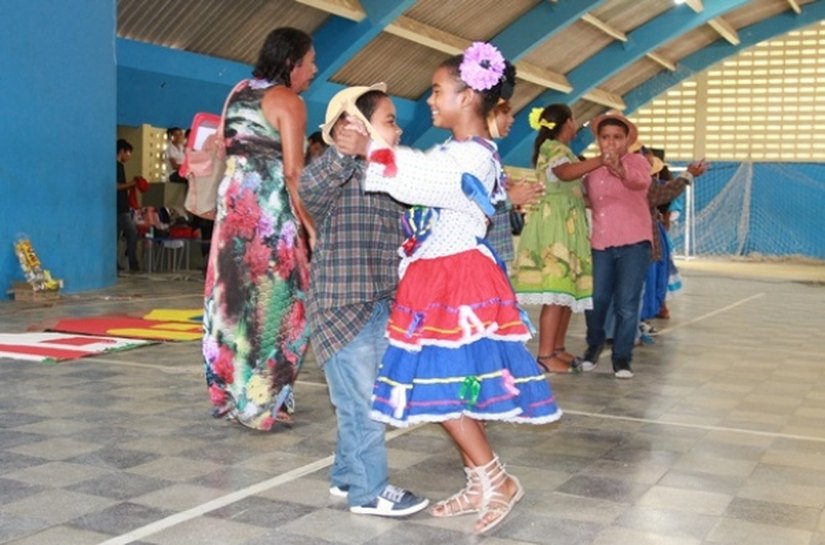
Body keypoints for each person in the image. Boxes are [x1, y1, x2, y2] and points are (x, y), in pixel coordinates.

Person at [336, 42, 561, 535]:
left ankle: (497, 479)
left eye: (438, 91)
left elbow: (424, 184)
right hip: (434, 278)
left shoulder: (475, 157)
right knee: (441, 390)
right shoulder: (455, 150)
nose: (431, 100)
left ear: (468, 97)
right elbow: (422, 176)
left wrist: (372, 147)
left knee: (443, 389)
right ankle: (481, 479)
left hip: (456, 282)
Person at [299, 83, 428, 517]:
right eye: (390, 122)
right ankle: (369, 492)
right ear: (355, 126)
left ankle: (345, 475)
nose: (398, 131)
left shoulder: (389, 174)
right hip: (341, 306)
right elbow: (306, 189)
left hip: (379, 303)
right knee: (364, 405)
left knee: (362, 400)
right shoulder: (336, 173)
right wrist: (341, 151)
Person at [202, 27, 316, 431]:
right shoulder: (289, 101)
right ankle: (262, 400)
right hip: (269, 221)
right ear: (292, 64)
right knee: (279, 307)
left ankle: (232, 394)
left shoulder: (237, 91)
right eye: (310, 62)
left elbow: (223, 145)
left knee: (232, 302)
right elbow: (293, 171)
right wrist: (310, 225)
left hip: (232, 215)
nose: (314, 70)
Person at [512, 104, 605, 374]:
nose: (577, 125)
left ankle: (557, 349)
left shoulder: (564, 152)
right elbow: (564, 174)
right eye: (575, 120)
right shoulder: (553, 148)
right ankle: (544, 354)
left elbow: (571, 189)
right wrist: (602, 160)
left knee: (567, 292)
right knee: (556, 291)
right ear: (568, 123)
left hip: (569, 224)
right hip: (555, 227)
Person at [579, 111, 651, 379]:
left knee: (627, 304)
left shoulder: (637, 162)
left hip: (635, 244)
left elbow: (639, 182)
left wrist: (618, 169)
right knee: (596, 299)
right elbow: (587, 198)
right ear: (598, 139)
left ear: (626, 140)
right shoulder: (591, 168)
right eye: (605, 137)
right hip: (601, 243)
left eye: (617, 138)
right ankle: (594, 344)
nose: (611, 143)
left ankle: (622, 358)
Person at [484, 100, 544, 263]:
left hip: (494, 253)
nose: (512, 119)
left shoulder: (490, 154)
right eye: (505, 112)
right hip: (479, 258)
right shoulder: (473, 155)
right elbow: (466, 207)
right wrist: (510, 198)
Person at [116, 138, 140, 273]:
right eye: (129, 153)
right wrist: (131, 183)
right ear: (122, 151)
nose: (129, 156)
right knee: (132, 233)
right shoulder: (117, 166)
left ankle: (117, 264)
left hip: (120, 207)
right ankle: (133, 263)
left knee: (116, 237)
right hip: (120, 209)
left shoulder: (119, 166)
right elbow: (116, 186)